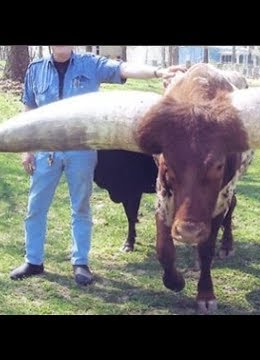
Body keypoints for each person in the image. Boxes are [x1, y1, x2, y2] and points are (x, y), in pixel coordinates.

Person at [10, 46, 185, 285]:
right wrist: (26, 150)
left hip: (81, 150)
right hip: (45, 151)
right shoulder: (36, 70)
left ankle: (80, 262)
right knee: (35, 207)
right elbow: (29, 110)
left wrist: (158, 71)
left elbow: (123, 68)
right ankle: (33, 261)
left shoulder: (89, 64)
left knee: (80, 207)